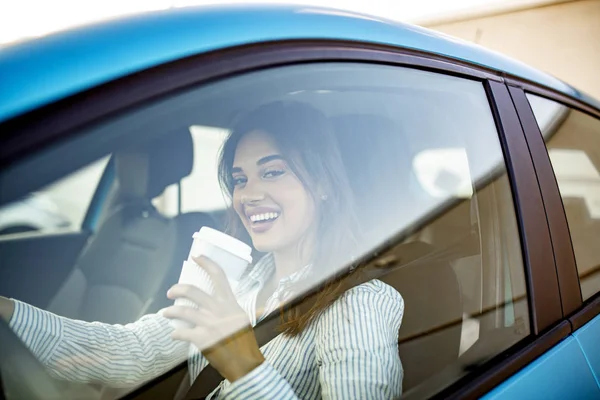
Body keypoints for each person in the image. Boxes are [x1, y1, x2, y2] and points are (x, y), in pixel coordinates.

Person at [0, 101, 405, 399]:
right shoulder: (235, 280)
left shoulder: (358, 303)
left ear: (324, 183)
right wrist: (7, 313)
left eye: (273, 172)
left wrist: (244, 364)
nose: (249, 194)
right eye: (240, 178)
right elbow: (132, 350)